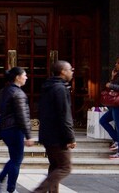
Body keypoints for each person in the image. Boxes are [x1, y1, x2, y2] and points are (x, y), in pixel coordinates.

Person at [33, 60, 76, 193]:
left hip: (48, 134)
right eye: (70, 69)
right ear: (63, 71)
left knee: (55, 166)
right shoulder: (60, 89)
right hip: (58, 136)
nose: (72, 71)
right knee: (65, 167)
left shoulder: (48, 87)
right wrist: (70, 138)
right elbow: (64, 115)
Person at [0, 66, 35, 193]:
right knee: (17, 160)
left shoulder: (5, 91)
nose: (26, 77)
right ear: (17, 77)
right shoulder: (18, 93)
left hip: (5, 129)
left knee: (14, 158)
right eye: (24, 75)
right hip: (15, 129)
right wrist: (28, 135)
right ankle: (11, 189)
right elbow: (22, 116)